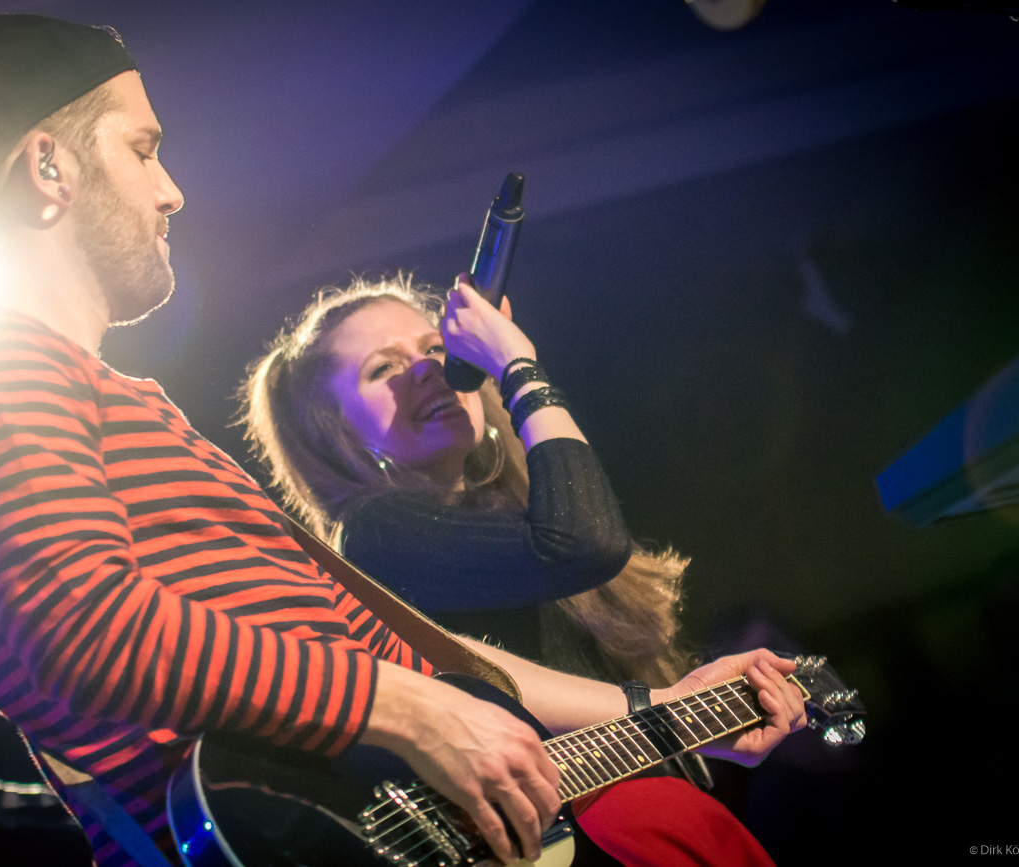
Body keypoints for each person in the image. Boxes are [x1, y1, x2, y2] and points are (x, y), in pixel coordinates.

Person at [0, 14, 807, 867]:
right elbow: (84, 627)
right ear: (49, 167)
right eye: (142, 148)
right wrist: (406, 710)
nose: (171, 191)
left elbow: (396, 651)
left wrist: (659, 709)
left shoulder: (118, 405)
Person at [240, 274, 779, 865]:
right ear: (337, 432)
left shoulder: (507, 516)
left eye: (435, 348)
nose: (427, 370)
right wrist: (520, 368)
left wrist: (691, 716)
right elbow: (583, 544)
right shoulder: (373, 532)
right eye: (383, 368)